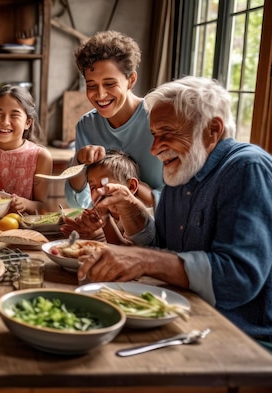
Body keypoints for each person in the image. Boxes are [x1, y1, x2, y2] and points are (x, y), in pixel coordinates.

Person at [77, 76, 272, 350]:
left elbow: (238, 278)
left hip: (241, 336)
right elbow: (164, 248)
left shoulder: (247, 168)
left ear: (212, 129)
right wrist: (130, 208)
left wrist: (145, 260)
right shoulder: (181, 171)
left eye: (167, 133)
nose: (155, 149)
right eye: (155, 135)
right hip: (180, 315)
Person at [65, 30, 163, 209]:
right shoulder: (86, 126)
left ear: (131, 80)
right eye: (91, 85)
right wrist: (78, 161)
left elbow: (182, 195)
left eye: (110, 84)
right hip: (107, 228)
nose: (100, 95)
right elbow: (78, 202)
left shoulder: (159, 120)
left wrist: (145, 196)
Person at [0, 84, 52, 215]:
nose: (5, 122)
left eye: (14, 115)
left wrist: (25, 204)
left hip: (24, 229)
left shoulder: (41, 157)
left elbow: (42, 208)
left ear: (27, 123)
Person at [61, 149, 141, 244]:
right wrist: (86, 233)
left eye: (105, 184)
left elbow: (127, 252)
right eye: (93, 187)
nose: (98, 192)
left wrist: (101, 234)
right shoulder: (97, 215)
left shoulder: (138, 217)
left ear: (131, 186)